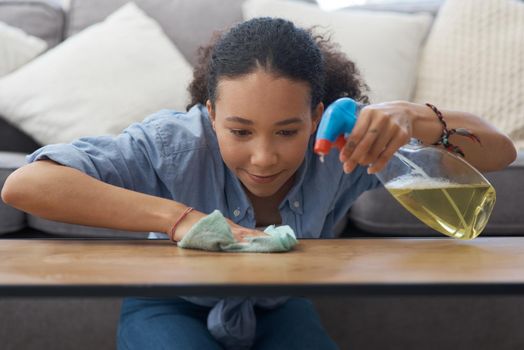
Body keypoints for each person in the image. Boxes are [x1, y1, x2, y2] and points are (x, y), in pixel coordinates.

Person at [1, 17, 517, 350]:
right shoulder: (172, 143)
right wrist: (180, 219)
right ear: (210, 114)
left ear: (316, 117)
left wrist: (414, 116)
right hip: (170, 303)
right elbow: (26, 185)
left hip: (279, 303)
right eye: (240, 131)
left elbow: (502, 150)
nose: (265, 157)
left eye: (288, 131)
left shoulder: (346, 149)